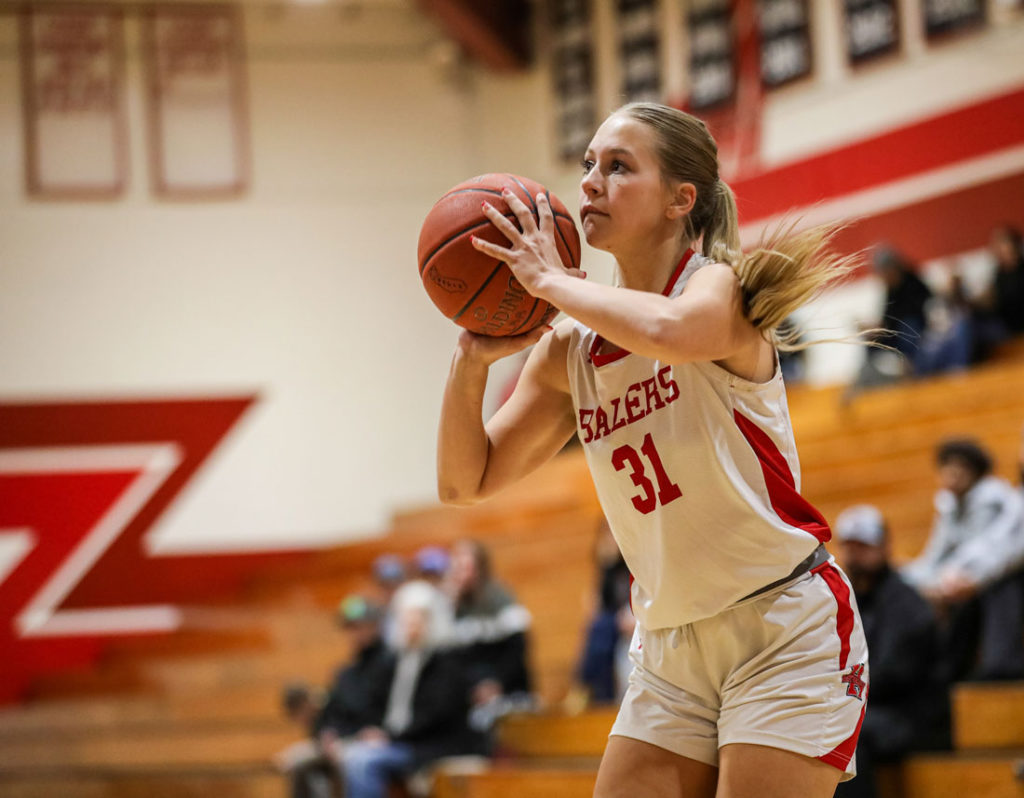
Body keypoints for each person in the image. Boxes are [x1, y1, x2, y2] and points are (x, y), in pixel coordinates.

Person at [437, 102, 868, 798]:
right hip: (671, 645)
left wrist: (550, 284)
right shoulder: (567, 351)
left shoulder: (716, 288)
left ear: (680, 199)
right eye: (586, 166)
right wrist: (470, 358)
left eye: (617, 167)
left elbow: (668, 331)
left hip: (782, 628)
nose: (589, 184)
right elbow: (464, 481)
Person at [833, 506, 950, 798]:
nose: (855, 555)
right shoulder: (845, 600)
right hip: (869, 707)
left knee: (846, 730)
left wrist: (832, 690)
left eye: (864, 546)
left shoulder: (908, 605)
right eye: (850, 546)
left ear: (884, 546)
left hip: (912, 716)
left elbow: (890, 676)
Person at [339, 580, 487, 798]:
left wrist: (390, 737)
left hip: (432, 745)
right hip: (400, 741)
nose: (412, 623)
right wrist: (373, 731)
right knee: (349, 755)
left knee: (363, 762)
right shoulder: (395, 661)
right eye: (406, 617)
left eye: (418, 616)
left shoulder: (448, 661)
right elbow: (375, 703)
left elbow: (437, 713)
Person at [902, 438, 1024, 682]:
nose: (953, 474)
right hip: (976, 574)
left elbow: (1002, 551)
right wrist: (907, 579)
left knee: (986, 589)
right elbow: (939, 554)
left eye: (961, 467)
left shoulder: (993, 499)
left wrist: (959, 581)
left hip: (995, 579)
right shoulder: (949, 504)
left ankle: (987, 666)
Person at [444, 538, 534, 728]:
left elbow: (517, 650)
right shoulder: (453, 606)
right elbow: (457, 659)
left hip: (508, 688)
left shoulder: (501, 598)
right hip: (473, 692)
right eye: (457, 569)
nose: (461, 575)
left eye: (466, 568)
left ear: (480, 569)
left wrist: (497, 684)